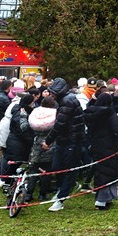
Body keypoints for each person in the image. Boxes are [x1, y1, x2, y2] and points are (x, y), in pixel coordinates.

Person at [43, 77, 86, 212]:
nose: (51, 95)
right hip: (65, 140)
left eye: (52, 92)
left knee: (68, 169)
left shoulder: (67, 102)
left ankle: (61, 198)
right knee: (57, 167)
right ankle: (62, 190)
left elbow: (60, 124)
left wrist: (48, 141)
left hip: (72, 140)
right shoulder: (64, 101)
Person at [84, 90, 118, 209]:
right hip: (109, 146)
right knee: (108, 172)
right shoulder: (109, 113)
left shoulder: (91, 113)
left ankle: (107, 198)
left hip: (96, 145)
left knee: (100, 171)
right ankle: (101, 200)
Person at [24, 99, 57, 203]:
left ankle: (28, 193)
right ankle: (43, 193)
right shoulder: (54, 115)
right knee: (46, 170)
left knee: (34, 169)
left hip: (36, 142)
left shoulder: (36, 113)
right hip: (49, 143)